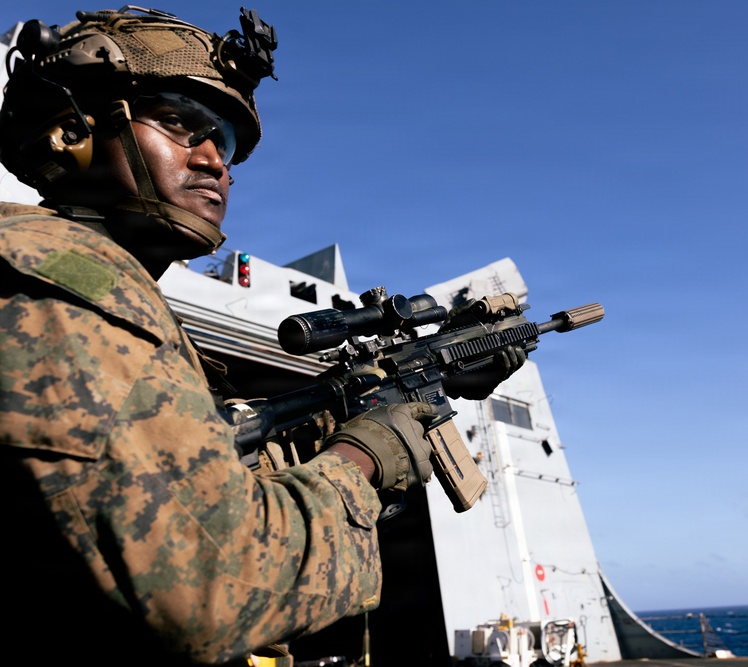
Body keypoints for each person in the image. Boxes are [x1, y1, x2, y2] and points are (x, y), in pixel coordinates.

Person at [0, 7, 517, 665]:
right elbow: (215, 588)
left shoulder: (66, 283)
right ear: (72, 131)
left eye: (226, 141)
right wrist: (365, 456)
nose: (216, 161)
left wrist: (423, 382)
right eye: (181, 123)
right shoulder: (72, 286)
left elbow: (184, 481)